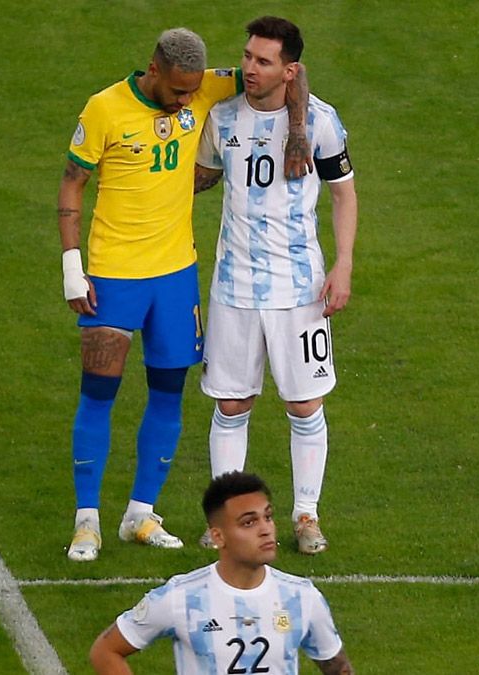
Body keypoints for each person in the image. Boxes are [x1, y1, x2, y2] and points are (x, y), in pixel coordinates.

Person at [58, 27, 312, 562]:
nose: (183, 102)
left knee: (168, 395)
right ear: (154, 70)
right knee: (99, 395)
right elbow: (72, 183)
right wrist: (71, 265)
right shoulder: (103, 109)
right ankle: (86, 522)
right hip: (113, 274)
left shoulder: (203, 88)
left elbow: (293, 75)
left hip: (176, 278)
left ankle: (139, 514)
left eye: (189, 92)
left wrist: (296, 133)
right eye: (176, 91)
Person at [193, 17, 357, 555]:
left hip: (299, 288)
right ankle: (229, 518)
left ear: (289, 70)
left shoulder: (322, 123)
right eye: (246, 56)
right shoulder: (221, 119)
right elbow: (199, 178)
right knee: (232, 403)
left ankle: (306, 515)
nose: (249, 67)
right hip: (233, 287)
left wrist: (344, 265)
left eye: (262, 61)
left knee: (305, 404)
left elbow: (343, 194)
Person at [89, 471, 354, 674]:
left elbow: (338, 668)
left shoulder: (302, 597)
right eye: (249, 522)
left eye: (268, 517)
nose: (265, 529)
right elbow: (106, 651)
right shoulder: (181, 597)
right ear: (218, 536)